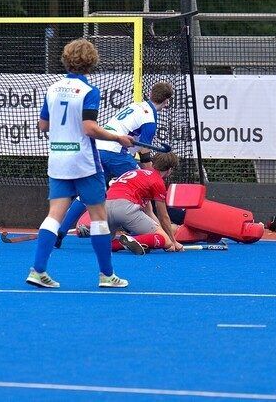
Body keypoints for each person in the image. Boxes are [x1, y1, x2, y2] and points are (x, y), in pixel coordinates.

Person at [26, 38, 134, 289]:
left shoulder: (52, 89)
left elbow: (43, 125)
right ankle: (107, 275)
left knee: (54, 216)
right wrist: (118, 137)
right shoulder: (89, 91)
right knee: (98, 217)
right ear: (91, 62)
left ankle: (38, 270)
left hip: (58, 160)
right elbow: (89, 128)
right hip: (83, 162)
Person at [55, 82, 174, 248]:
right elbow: (145, 151)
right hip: (116, 152)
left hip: (97, 148)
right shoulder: (150, 120)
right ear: (167, 101)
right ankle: (146, 230)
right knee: (141, 184)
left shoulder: (136, 106)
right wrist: (151, 177)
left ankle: (60, 231)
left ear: (150, 93)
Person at [104, 152, 183, 252]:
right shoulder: (157, 181)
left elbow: (149, 212)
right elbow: (163, 216)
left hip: (105, 208)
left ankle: (116, 243)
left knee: (106, 245)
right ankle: (129, 241)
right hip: (125, 209)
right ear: (169, 169)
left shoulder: (138, 173)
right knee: (165, 242)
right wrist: (172, 241)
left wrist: (158, 230)